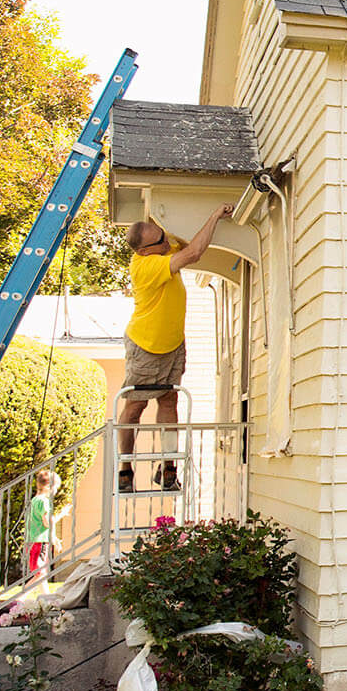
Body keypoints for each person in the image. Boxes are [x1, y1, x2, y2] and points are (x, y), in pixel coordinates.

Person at [119, 205, 232, 493]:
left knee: (169, 401)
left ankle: (168, 468)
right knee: (135, 406)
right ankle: (125, 469)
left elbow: (186, 242)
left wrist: (166, 228)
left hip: (172, 344)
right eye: (161, 240)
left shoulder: (161, 250)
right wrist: (215, 214)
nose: (167, 242)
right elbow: (193, 253)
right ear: (145, 250)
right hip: (146, 345)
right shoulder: (146, 265)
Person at [24, 470, 65, 575]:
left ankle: (42, 592)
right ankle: (31, 592)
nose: (56, 491)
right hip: (40, 541)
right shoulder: (44, 502)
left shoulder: (35, 500)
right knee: (40, 572)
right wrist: (61, 515)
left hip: (32, 539)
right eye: (55, 488)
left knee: (40, 573)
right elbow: (47, 523)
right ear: (48, 487)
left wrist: (54, 539)